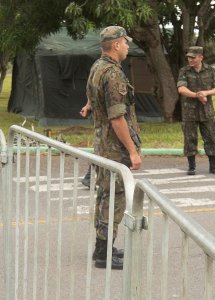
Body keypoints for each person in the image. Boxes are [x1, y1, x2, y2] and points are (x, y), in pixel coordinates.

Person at [85, 25, 142, 270]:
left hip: (102, 145)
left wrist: (89, 105)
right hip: (114, 148)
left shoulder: (98, 67)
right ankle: (104, 254)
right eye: (125, 43)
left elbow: (94, 96)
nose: (128, 46)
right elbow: (117, 118)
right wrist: (132, 151)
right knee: (115, 198)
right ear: (116, 44)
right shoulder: (113, 73)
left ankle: (102, 248)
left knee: (104, 196)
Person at [177, 46, 215, 175]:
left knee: (210, 138)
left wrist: (205, 93)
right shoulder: (184, 71)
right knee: (190, 139)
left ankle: (213, 165)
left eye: (193, 57)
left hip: (206, 111)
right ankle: (191, 166)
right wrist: (196, 95)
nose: (190, 60)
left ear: (201, 57)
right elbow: (181, 89)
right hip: (189, 112)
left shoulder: (211, 70)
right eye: (188, 57)